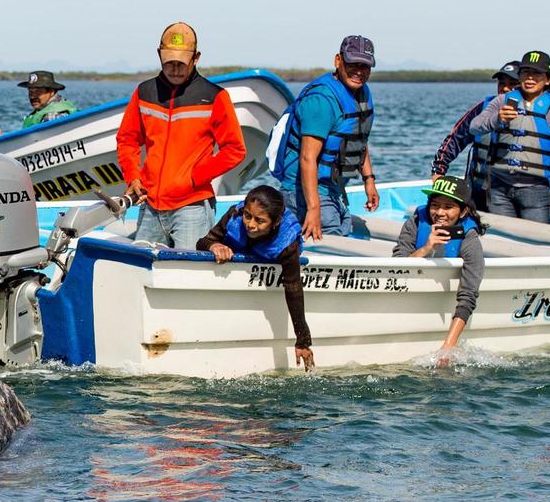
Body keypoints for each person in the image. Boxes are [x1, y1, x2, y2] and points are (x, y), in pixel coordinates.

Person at [116, 22, 247, 247]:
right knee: (140, 273)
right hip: (150, 206)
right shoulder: (144, 92)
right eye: (170, 63)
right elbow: (127, 139)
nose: (175, 69)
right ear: (159, 55)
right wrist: (133, 177)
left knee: (189, 275)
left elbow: (235, 150)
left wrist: (195, 177)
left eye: (181, 63)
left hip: (192, 208)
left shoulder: (215, 96)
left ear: (196, 58)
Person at [270, 35, 380, 240]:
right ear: (338, 60)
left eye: (365, 66)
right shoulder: (321, 100)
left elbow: (358, 140)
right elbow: (307, 158)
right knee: (330, 244)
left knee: (342, 234)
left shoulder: (361, 93)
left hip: (333, 189)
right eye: (352, 64)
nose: (359, 71)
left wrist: (369, 180)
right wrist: (313, 209)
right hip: (305, 192)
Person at [197, 185, 313, 371]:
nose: (251, 224)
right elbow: (203, 241)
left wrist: (303, 340)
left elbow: (293, 287)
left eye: (260, 221)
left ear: (275, 222)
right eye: (248, 216)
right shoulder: (234, 215)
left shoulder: (286, 243)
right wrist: (214, 246)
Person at [467, 50, 550, 224]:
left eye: (537, 73)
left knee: (535, 239)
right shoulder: (502, 101)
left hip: (536, 191)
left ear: (547, 80)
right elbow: (475, 127)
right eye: (526, 72)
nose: (530, 78)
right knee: (503, 236)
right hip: (498, 188)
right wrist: (497, 118)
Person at [391, 175, 486, 361]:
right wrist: (426, 248)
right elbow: (397, 267)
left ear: (463, 211)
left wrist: (448, 347)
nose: (440, 212)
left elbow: (468, 294)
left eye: (448, 207)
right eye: (435, 205)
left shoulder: (469, 238)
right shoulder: (416, 222)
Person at [430, 60, 520, 210]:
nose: (505, 88)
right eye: (501, 83)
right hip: (478, 189)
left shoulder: (534, 113)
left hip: (512, 191)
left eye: (512, 84)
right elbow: (456, 138)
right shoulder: (483, 109)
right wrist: (438, 170)